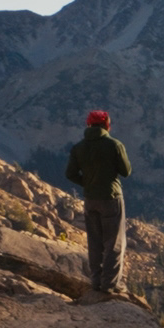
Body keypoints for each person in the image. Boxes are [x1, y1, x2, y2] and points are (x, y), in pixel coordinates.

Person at [65, 109, 133, 302]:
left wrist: (87, 183)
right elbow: (126, 171)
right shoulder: (114, 145)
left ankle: (95, 281)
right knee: (114, 243)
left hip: (90, 199)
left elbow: (70, 174)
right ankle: (110, 285)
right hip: (111, 198)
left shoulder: (78, 147)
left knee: (95, 241)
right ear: (107, 125)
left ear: (88, 125)